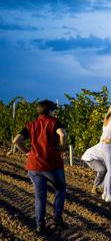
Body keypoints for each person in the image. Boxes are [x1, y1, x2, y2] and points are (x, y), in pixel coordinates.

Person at [12, 100, 67, 233]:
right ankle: (58, 220)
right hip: (51, 164)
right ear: (49, 111)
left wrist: (26, 152)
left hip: (34, 166)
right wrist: (62, 147)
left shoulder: (30, 125)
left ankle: (40, 225)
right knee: (60, 189)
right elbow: (63, 134)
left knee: (40, 196)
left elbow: (16, 140)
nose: (54, 112)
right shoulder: (54, 122)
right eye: (53, 110)